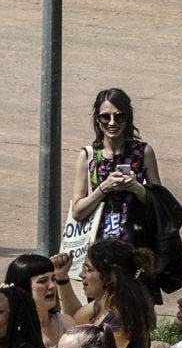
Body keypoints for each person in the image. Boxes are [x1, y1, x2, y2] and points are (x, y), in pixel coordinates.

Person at [68, 88, 161, 257]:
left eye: (119, 116)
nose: (112, 123)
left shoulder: (144, 152)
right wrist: (105, 187)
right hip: (99, 247)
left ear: (128, 118)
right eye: (105, 117)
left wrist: (135, 187)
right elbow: (77, 212)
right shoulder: (88, 156)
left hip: (136, 244)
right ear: (97, 119)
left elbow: (160, 204)